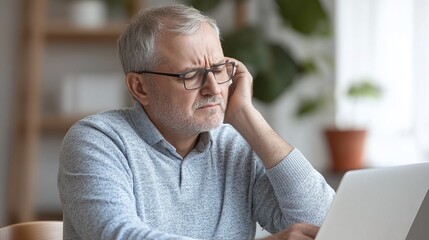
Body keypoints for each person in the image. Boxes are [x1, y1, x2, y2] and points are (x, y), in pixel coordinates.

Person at [58, 4, 335, 240]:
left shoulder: (234, 146)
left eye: (218, 69)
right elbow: (120, 235)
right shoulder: (96, 141)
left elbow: (324, 225)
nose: (214, 88)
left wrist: (248, 118)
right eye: (191, 75)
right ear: (140, 87)